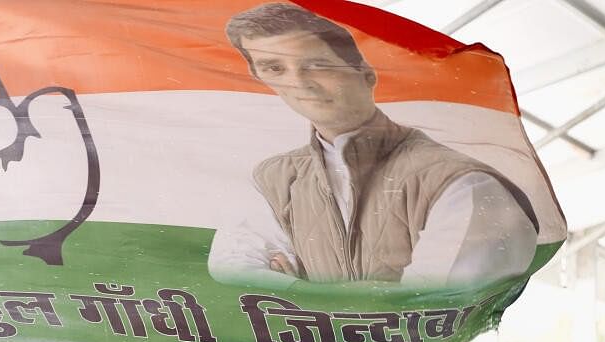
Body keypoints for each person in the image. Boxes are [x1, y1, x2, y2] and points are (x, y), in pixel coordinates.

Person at [209, 2, 538, 286]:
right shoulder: (274, 179)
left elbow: (426, 306)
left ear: (365, 74)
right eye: (275, 68)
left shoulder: (461, 183)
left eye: (317, 64)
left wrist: (297, 290)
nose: (299, 83)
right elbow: (231, 273)